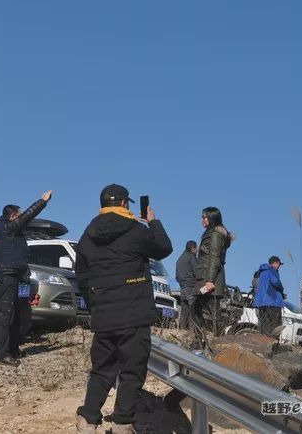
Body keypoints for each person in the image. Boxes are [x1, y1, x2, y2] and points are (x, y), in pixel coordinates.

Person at [75, 184, 172, 434]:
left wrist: (96, 306)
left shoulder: (88, 235)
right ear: (123, 204)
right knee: (131, 371)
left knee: (101, 370)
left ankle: (87, 421)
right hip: (134, 315)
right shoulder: (135, 230)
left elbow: (82, 277)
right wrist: (153, 221)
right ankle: (121, 424)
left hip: (104, 317)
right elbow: (164, 248)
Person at [0, 191, 53, 366]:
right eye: (19, 214)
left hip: (17, 276)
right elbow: (28, 215)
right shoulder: (6, 227)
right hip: (7, 276)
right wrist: (43, 201)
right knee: (5, 315)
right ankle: (2, 355)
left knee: (21, 314)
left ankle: (13, 350)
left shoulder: (12, 232)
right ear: (11, 216)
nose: (22, 218)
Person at [194, 207, 232, 336]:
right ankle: (203, 341)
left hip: (209, 278)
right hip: (206, 276)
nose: (202, 220)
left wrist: (209, 280)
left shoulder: (216, 233)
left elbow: (214, 257)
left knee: (209, 312)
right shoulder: (212, 233)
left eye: (204, 217)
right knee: (203, 311)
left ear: (212, 217)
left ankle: (215, 341)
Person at [253, 256, 285, 337]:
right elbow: (276, 282)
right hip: (272, 302)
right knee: (275, 328)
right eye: (278, 264)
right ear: (274, 263)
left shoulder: (259, 273)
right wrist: (281, 288)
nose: (279, 266)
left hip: (261, 304)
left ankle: (263, 346)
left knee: (263, 328)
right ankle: (273, 346)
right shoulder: (272, 271)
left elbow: (254, 284)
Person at [175, 240, 197, 329]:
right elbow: (197, 271)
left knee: (184, 312)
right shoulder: (191, 257)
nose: (197, 251)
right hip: (191, 287)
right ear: (192, 248)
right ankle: (192, 334)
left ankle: (182, 331)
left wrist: (182, 284)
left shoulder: (179, 259)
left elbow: (176, 276)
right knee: (193, 311)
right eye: (196, 248)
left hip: (183, 288)